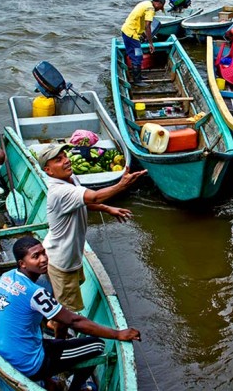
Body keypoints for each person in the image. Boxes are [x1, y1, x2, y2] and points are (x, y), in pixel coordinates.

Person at [0, 236, 141, 391]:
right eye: (35, 256)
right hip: (28, 364)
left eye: (44, 253)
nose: (44, 259)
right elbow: (74, 321)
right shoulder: (36, 293)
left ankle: (48, 379)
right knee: (97, 345)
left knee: (41, 335)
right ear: (22, 263)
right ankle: (75, 388)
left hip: (2, 351)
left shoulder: (6, 277)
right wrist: (118, 334)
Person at [37, 143, 147, 337]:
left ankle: (53, 318)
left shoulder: (71, 179)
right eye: (58, 160)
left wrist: (107, 209)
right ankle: (60, 342)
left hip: (71, 255)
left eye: (65, 156)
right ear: (48, 170)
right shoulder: (59, 191)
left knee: (67, 296)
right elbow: (94, 197)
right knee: (67, 315)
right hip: (62, 261)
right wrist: (121, 185)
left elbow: (86, 201)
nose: (66, 160)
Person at [121, 0, 166, 87]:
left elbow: (139, 20)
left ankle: (139, 76)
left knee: (137, 55)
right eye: (160, 7)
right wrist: (150, 43)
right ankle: (137, 80)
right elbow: (147, 26)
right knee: (137, 56)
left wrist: (143, 34)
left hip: (127, 31)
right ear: (158, 4)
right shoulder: (150, 9)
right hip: (131, 34)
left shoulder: (146, 3)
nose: (159, 9)